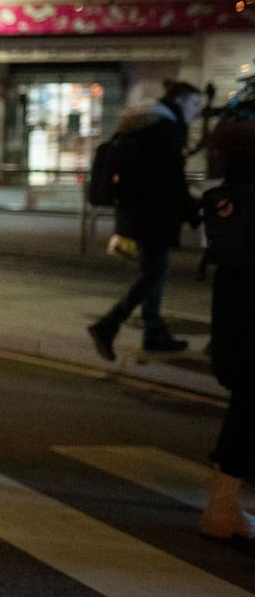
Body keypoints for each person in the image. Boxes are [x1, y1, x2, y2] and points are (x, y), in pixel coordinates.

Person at [89, 81, 204, 360]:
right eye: (194, 105)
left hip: (135, 212)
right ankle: (108, 325)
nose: (196, 112)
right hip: (153, 214)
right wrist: (193, 211)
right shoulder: (164, 129)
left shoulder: (142, 123)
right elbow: (170, 179)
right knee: (153, 274)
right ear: (182, 100)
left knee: (154, 272)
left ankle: (154, 332)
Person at [199, 111, 255, 542]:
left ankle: (222, 505)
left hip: (233, 298)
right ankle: (222, 510)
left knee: (245, 400)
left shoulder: (223, 196)